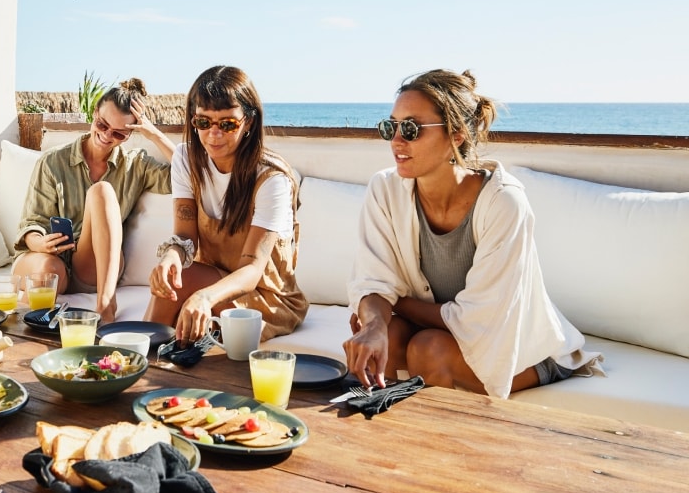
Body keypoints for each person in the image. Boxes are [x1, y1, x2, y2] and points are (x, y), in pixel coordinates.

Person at [343, 69, 602, 398]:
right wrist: (375, 324)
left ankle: (439, 448)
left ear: (457, 134)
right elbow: (372, 281)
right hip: (442, 330)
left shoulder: (504, 202)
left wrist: (396, 304)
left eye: (411, 128)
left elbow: (479, 320)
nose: (396, 141)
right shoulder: (385, 189)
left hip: (519, 350)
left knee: (428, 349)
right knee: (387, 337)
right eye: (390, 127)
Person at [145, 65, 308, 343]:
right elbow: (185, 237)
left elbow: (252, 270)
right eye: (203, 123)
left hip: (265, 297)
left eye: (228, 124)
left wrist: (204, 296)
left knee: (189, 294)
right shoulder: (186, 159)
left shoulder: (271, 179)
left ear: (249, 123)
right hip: (212, 281)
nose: (213, 134)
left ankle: (143, 358)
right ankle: (142, 364)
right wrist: (171, 256)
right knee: (173, 279)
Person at [12, 78, 175, 323]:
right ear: (95, 113)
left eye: (119, 133)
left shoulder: (136, 166)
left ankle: (106, 305)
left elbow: (188, 176)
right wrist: (41, 244)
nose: (107, 135)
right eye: (102, 124)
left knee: (102, 192)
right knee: (49, 272)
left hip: (92, 267)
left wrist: (153, 134)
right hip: (48, 259)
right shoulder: (52, 162)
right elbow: (31, 224)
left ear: (130, 135)